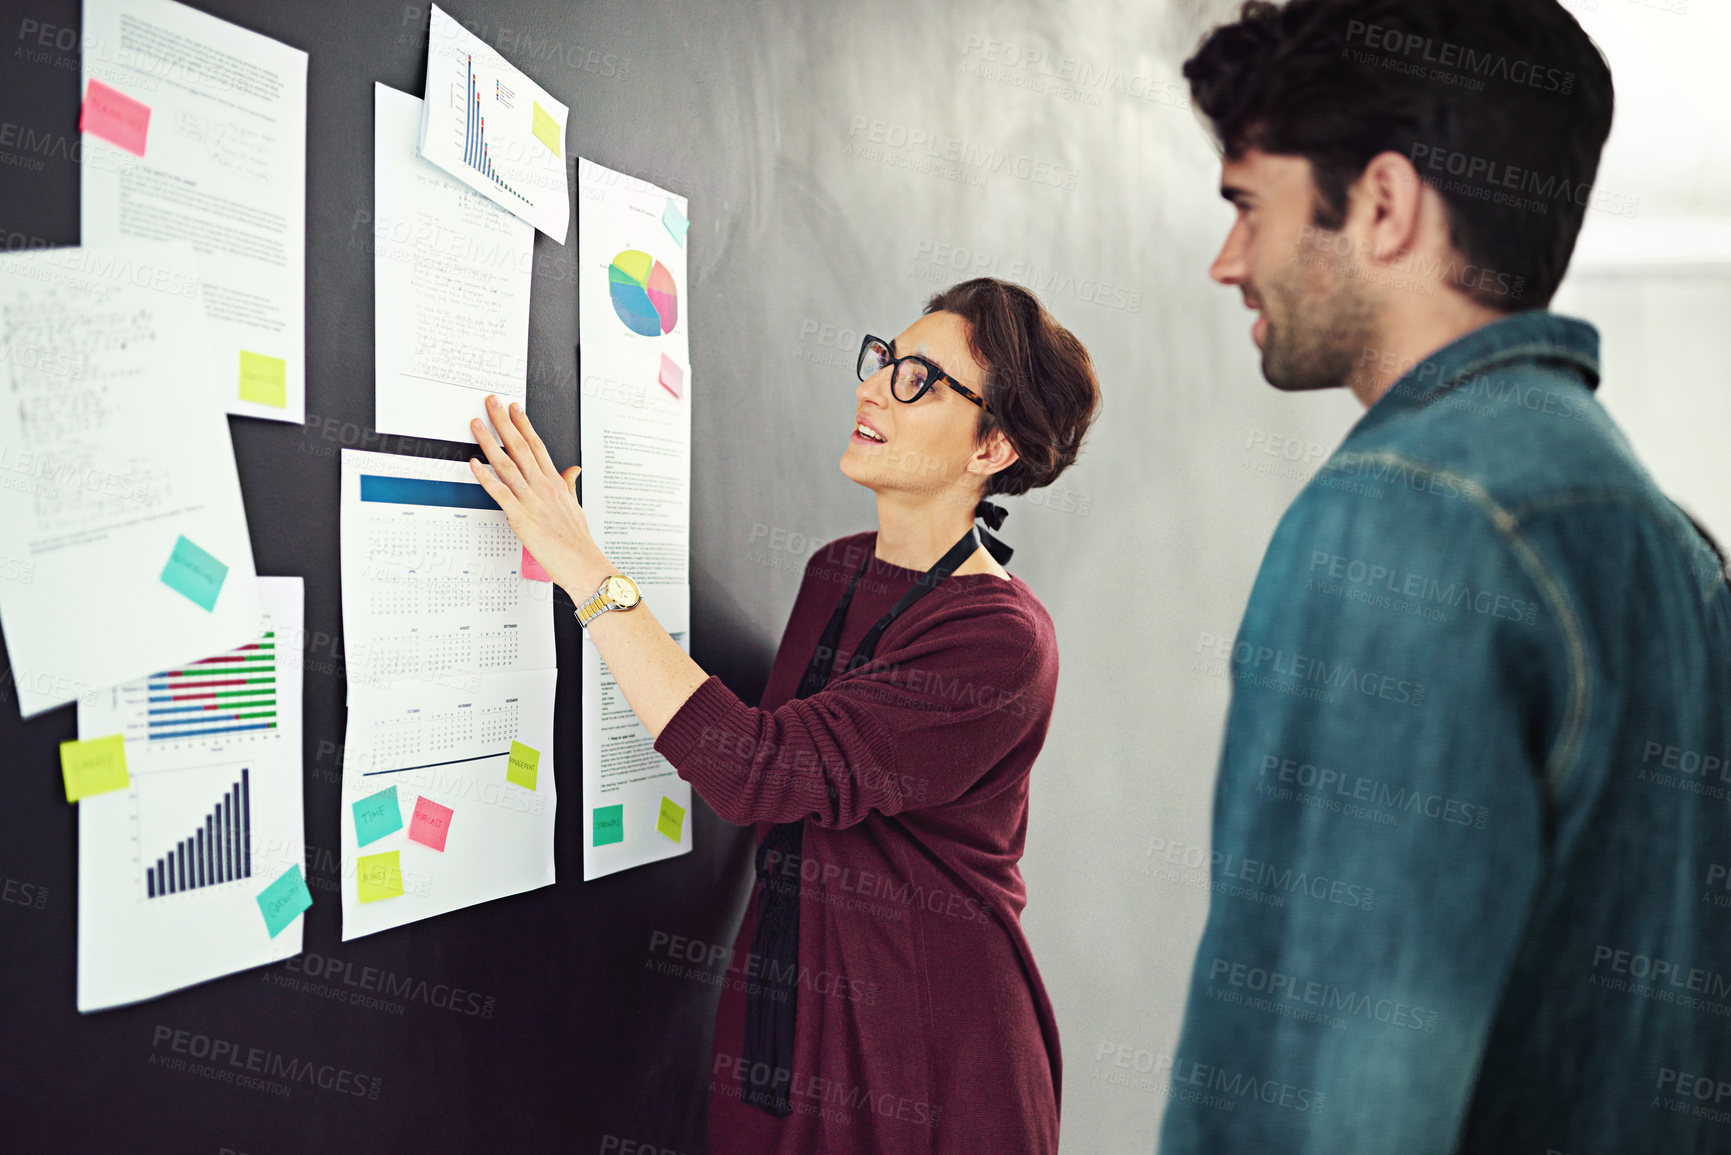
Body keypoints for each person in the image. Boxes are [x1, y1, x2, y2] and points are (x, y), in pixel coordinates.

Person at [1162, 1, 1731, 1152]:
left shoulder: (1403, 521)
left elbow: (1326, 1101)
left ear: (1382, 205)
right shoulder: (1671, 543)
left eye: (1246, 206)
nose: (1229, 262)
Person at [467, 278, 1100, 1154]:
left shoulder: (999, 639)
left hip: (929, 1045)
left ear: (991, 444)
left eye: (919, 378)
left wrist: (582, 563)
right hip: (786, 1003)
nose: (874, 385)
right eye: (885, 359)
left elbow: (753, 769)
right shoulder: (835, 569)